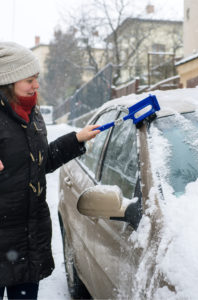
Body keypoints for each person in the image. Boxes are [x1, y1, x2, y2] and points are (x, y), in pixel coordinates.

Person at [0, 42, 100, 299]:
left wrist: (77, 139)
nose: (37, 85)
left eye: (37, 78)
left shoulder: (32, 113)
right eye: (30, 80)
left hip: (28, 241)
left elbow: (40, 163)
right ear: (9, 80)